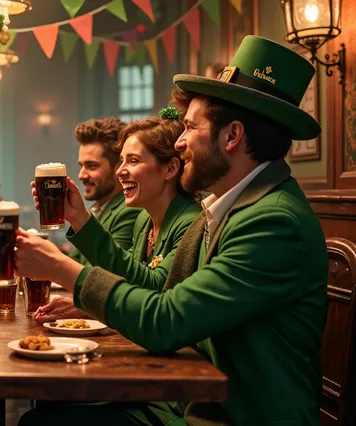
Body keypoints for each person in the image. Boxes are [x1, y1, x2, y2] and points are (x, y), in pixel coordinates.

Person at [17, 36, 327, 425]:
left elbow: (165, 322)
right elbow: (158, 291)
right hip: (189, 398)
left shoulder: (273, 223)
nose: (179, 143)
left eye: (190, 128)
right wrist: (80, 225)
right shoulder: (231, 207)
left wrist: (64, 270)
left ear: (232, 136)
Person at [33, 109, 201, 323]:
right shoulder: (145, 219)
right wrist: (86, 306)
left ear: (171, 169)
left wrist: (57, 265)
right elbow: (124, 279)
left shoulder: (191, 222)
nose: (120, 171)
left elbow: (153, 288)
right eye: (121, 161)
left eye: (133, 161)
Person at [68, 118, 141, 264]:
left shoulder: (130, 210)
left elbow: (105, 274)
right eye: (81, 165)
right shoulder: (99, 209)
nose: (81, 175)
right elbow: (73, 262)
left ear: (119, 168)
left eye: (92, 166)